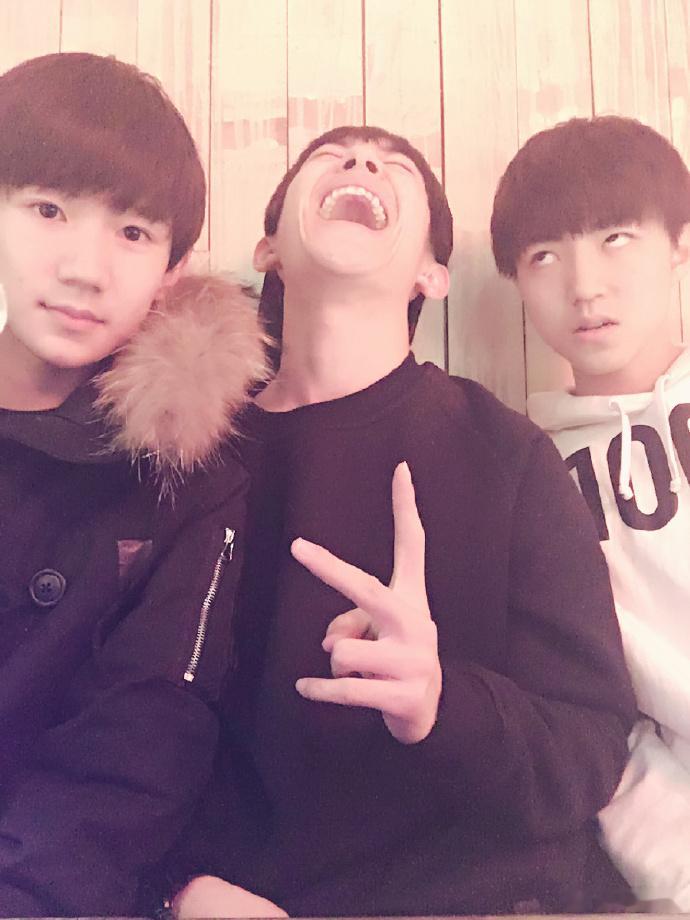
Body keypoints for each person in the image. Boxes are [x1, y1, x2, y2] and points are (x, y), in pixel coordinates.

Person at [169, 124, 636, 918]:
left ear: (433, 273)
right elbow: (120, 718)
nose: (360, 161)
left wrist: (442, 702)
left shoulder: (508, 454)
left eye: (395, 166)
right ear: (268, 249)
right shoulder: (187, 453)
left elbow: (590, 748)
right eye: (332, 155)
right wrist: (176, 887)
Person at [0, 52, 266, 916]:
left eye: (133, 233)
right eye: (48, 209)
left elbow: (138, 747)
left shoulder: (187, 477)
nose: (86, 269)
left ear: (172, 268)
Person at [491, 114, 690, 910]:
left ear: (678, 246)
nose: (584, 286)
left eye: (615, 238)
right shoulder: (519, 473)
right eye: (544, 255)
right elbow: (586, 714)